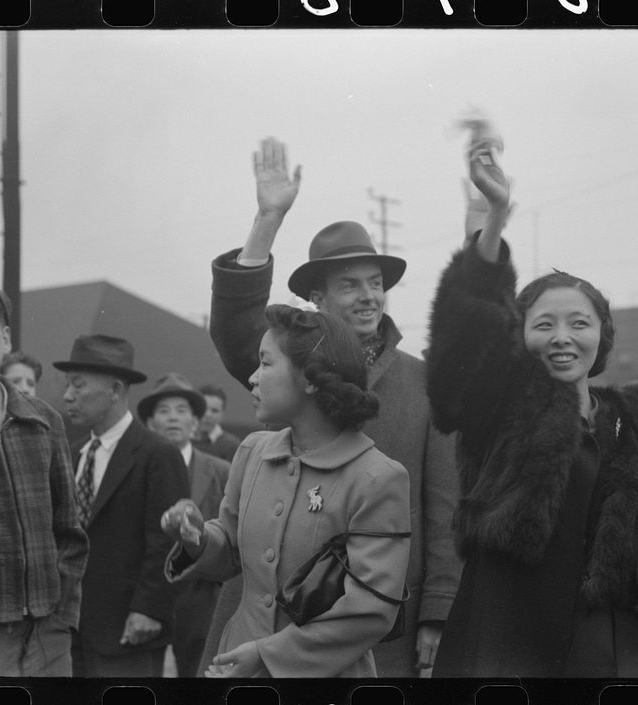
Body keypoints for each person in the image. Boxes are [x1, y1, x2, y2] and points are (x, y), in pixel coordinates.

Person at [426, 122, 638, 677]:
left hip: (612, 646)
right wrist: (493, 219)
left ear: (602, 334)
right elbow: (464, 346)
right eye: (543, 323)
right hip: (503, 637)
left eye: (579, 322)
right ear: (517, 334)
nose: (562, 337)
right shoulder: (498, 403)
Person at [201, 136, 460, 676]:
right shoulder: (290, 366)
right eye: (350, 285)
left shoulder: (426, 381)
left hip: (371, 622)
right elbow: (234, 330)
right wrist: (267, 219)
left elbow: (443, 506)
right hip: (259, 624)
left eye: (376, 283)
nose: (369, 295)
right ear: (317, 299)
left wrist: (438, 610)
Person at [163, 305, 411, 677]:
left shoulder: (377, 477)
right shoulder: (253, 452)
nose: (252, 378)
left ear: (311, 379)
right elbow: (230, 550)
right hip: (232, 668)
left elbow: (372, 610)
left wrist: (267, 655)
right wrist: (197, 537)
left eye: (265, 363)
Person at [0, 273, 88, 677]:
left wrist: (61, 622)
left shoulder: (43, 420)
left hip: (48, 640)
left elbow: (69, 531)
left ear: (6, 338)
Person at [54, 334, 190, 677]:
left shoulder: (157, 455)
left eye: (78, 385)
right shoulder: (73, 454)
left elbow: (171, 542)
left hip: (130, 633)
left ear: (115, 390)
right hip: (71, 633)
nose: (67, 396)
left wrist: (151, 610)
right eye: (68, 386)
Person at [138, 372, 230, 678]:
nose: (173, 418)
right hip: (145, 599)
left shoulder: (220, 471)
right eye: (164, 411)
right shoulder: (135, 469)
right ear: (150, 423)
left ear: (195, 421)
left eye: (181, 411)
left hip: (201, 600)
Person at [193, 384, 242, 462]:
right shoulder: (182, 440)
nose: (208, 415)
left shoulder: (232, 446)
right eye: (204, 408)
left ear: (222, 414)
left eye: (214, 411)